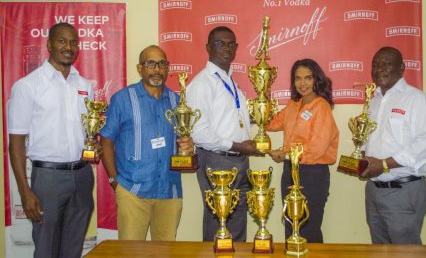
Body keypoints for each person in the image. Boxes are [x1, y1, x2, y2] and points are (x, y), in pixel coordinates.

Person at [8, 22, 95, 258]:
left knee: (73, 249)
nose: (68, 47)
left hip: (83, 175)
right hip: (48, 179)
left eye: (74, 42)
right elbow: (15, 143)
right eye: (62, 41)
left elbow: (89, 132)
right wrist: (25, 191)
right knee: (46, 249)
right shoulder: (28, 86)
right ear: (49, 45)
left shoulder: (85, 86)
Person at [100, 45, 194, 241]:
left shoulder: (178, 102)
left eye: (162, 64)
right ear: (139, 68)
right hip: (133, 191)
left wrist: (188, 147)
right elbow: (106, 140)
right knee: (131, 254)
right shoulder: (123, 99)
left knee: (165, 253)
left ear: (167, 68)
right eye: (150, 63)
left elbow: (183, 140)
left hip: (169, 190)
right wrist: (114, 180)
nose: (157, 69)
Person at [186, 26, 263, 242]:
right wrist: (240, 146)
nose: (226, 48)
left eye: (231, 44)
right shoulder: (202, 83)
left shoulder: (231, 81)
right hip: (217, 160)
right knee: (217, 224)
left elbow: (232, 120)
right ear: (208, 47)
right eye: (220, 43)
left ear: (237, 48)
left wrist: (261, 117)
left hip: (239, 160)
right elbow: (200, 134)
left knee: (237, 223)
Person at [360, 46, 426, 244]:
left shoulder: (416, 99)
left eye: (386, 64)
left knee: (406, 253)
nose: (379, 69)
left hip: (403, 191)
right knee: (380, 251)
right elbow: (371, 141)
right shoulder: (374, 101)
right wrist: (362, 160)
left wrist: (384, 164)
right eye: (375, 65)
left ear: (402, 67)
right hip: (374, 190)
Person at [266, 58, 339, 243]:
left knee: (309, 227)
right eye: (298, 78)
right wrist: (262, 101)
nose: (302, 83)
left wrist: (285, 154)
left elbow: (317, 149)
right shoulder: (293, 104)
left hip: (313, 174)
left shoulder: (321, 107)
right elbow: (272, 124)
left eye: (308, 78)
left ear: (316, 80)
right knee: (291, 225)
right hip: (290, 171)